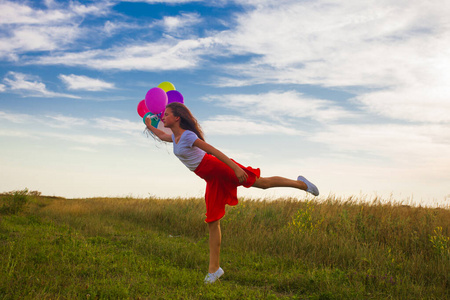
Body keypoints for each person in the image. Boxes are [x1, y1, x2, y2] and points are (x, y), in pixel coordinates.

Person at [144, 102, 319, 284]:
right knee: (212, 220)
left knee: (262, 183)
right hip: (211, 179)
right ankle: (214, 270)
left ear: (177, 117)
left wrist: (235, 168)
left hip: (219, 169)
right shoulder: (176, 138)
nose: (163, 117)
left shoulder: (188, 136)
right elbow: (163, 135)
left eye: (166, 114)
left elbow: (214, 151)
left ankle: (302, 185)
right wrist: (149, 126)